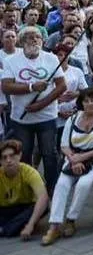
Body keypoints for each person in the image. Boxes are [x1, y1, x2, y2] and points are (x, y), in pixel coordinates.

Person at [42, 88, 93, 245]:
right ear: (81, 103)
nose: (90, 103)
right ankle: (54, 226)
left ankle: (71, 219)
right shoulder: (72, 119)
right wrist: (74, 160)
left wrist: (83, 158)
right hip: (74, 158)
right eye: (86, 100)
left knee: (84, 183)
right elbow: (64, 145)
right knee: (61, 184)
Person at [2, 26, 67, 193]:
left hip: (47, 117)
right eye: (30, 37)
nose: (35, 40)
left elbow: (61, 85)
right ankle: (28, 190)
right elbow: (7, 86)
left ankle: (52, 191)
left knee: (50, 155)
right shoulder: (11, 61)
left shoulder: (51, 58)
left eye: (38, 37)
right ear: (22, 41)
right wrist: (31, 87)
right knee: (24, 155)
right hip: (21, 119)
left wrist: (41, 104)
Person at [0, 139, 49, 240]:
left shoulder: (29, 172)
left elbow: (43, 197)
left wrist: (30, 225)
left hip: (24, 208)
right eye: (4, 158)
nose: (8, 160)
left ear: (19, 155)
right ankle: (12, 228)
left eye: (12, 155)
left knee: (43, 206)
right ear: (1, 161)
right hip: (5, 210)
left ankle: (6, 229)